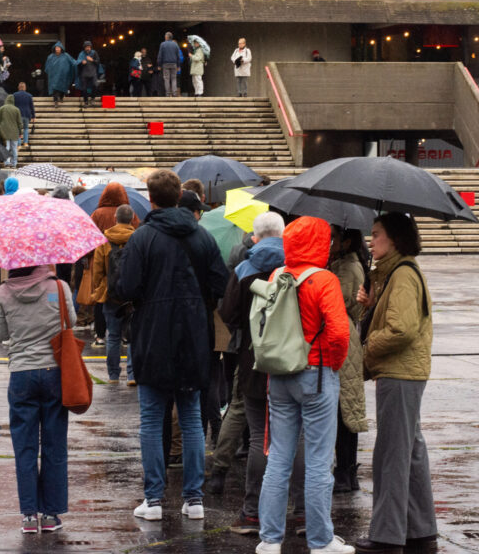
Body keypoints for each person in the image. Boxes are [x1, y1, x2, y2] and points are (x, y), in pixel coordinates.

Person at [112, 169, 230, 522]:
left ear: (150, 199)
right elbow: (221, 285)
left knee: (151, 418)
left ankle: (153, 498)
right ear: (180, 196)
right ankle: (194, 498)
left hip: (152, 334)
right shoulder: (203, 237)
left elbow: (126, 288)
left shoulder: (142, 237)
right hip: (194, 333)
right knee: (191, 416)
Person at [252, 216, 353, 554]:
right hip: (316, 372)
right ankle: (321, 540)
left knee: (279, 456)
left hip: (279, 374)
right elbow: (339, 333)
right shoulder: (324, 279)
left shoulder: (276, 275)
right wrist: (331, 363)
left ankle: (269, 538)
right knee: (318, 460)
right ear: (320, 244)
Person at [353, 214, 436, 554]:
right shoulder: (397, 274)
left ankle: (387, 536)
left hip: (399, 373)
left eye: (376, 235)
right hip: (405, 373)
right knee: (410, 451)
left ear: (395, 239)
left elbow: (402, 330)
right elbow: (396, 320)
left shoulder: (402, 275)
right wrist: (371, 306)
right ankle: (419, 531)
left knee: (392, 454)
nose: (371, 241)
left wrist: (367, 347)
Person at [214, 211, 286, 532]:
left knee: (258, 435)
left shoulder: (245, 268)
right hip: (293, 361)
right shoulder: (298, 265)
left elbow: (228, 314)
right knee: (292, 436)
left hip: (254, 360)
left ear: (255, 237)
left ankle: (253, 511)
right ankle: (296, 512)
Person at [0, 263, 76, 534]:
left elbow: (2, 334)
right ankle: (51, 514)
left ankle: (29, 515)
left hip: (21, 374)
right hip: (54, 372)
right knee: (54, 444)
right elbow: (71, 322)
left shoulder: (3, 292)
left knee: (25, 447)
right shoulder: (59, 287)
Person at [330, 227, 369, 494]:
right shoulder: (344, 264)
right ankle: (347, 471)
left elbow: (341, 305)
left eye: (333, 237)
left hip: (343, 341)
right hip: (346, 339)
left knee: (344, 411)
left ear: (345, 240)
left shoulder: (346, 268)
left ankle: (345, 472)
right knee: (345, 408)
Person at [91, 203, 138, 384]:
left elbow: (97, 271)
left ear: (115, 218)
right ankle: (132, 375)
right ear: (132, 219)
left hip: (110, 294)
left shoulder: (104, 240)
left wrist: (101, 287)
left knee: (113, 336)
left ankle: (113, 375)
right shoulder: (137, 238)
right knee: (133, 336)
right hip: (132, 295)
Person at [0, 94, 25, 168]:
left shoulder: (2, 108)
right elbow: (19, 123)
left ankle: (7, 162)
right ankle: (14, 163)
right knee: (14, 148)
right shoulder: (16, 109)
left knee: (7, 148)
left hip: (4, 132)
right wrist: (20, 133)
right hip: (15, 132)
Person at [157, 32, 183, 97]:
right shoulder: (175, 45)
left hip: (165, 64)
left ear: (167, 37)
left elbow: (160, 55)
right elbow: (178, 56)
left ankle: (168, 94)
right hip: (174, 64)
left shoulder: (162, 44)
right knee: (174, 79)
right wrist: (178, 65)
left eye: (165, 36)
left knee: (166, 79)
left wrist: (159, 65)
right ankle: (174, 93)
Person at [76, 41, 100, 106]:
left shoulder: (94, 53)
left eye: (89, 47)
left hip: (93, 73)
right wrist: (81, 62)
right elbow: (77, 62)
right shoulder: (81, 54)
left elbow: (98, 62)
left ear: (91, 47)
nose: (88, 48)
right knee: (84, 88)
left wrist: (92, 60)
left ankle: (92, 98)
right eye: (86, 47)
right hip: (84, 74)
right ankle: (86, 102)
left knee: (95, 85)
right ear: (84, 48)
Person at [13, 82, 35, 150]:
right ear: (25, 87)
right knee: (25, 128)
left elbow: (13, 105)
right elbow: (31, 106)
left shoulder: (14, 95)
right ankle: (25, 143)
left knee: (18, 129)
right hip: (27, 114)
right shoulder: (29, 95)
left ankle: (19, 144)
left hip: (18, 114)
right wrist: (33, 116)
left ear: (18, 87)